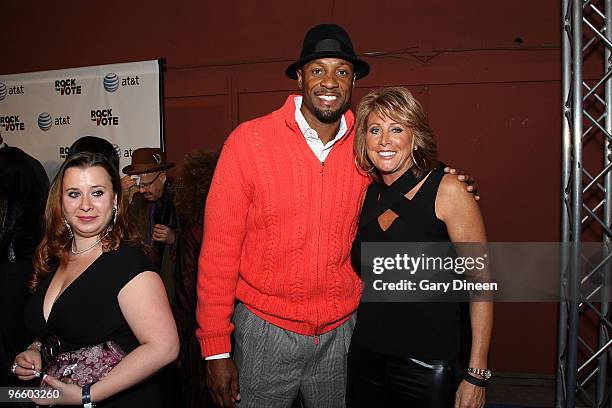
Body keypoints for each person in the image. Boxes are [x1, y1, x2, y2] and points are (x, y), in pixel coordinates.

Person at [197, 24, 478, 408]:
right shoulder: (249, 142)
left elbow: (410, 172)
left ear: (352, 82)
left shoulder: (364, 149)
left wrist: (452, 182)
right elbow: (219, 252)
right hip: (265, 332)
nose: (330, 81)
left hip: (344, 337)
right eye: (318, 69)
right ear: (299, 76)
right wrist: (215, 350)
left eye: (342, 71)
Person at [347, 87, 493, 408]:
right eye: (375, 130)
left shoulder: (448, 188)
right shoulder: (368, 196)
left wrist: (476, 374)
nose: (385, 140)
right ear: (365, 140)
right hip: (366, 356)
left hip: (426, 364)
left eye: (396, 129)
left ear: (415, 135)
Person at [12, 152, 179, 407]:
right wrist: (36, 350)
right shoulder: (55, 257)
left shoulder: (128, 261)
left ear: (114, 200)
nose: (86, 205)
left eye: (97, 193)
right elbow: (56, 327)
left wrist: (87, 395)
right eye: (74, 193)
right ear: (60, 202)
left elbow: (164, 347)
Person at [0, 132, 49, 387]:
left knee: (13, 351)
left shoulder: (12, 166)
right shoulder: (32, 163)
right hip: (33, 267)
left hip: (12, 269)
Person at [172, 150, 219, 408]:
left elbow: (184, 297)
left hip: (202, 338)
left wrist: (174, 347)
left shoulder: (193, 235)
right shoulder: (242, 226)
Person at [122, 148, 179, 299]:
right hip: (141, 282)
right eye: (140, 184)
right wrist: (123, 200)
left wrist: (174, 238)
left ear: (162, 177)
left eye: (147, 184)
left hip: (170, 283)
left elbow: (199, 240)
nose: (142, 190)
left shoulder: (181, 201)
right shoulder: (137, 202)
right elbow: (124, 236)